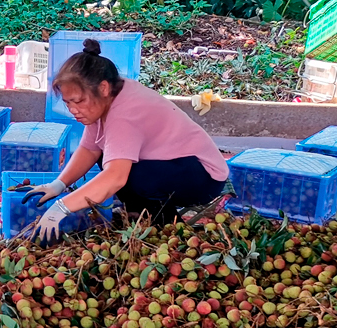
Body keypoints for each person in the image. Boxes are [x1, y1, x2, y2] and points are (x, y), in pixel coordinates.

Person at [28, 39, 229, 241]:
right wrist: (59, 184)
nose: (73, 110)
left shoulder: (125, 114)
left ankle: (166, 225)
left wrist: (62, 207)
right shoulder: (107, 98)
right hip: (169, 163)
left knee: (132, 174)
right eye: (68, 103)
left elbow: (116, 177)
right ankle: (138, 213)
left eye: (78, 101)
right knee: (108, 156)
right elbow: (90, 149)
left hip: (203, 176)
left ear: (103, 88)